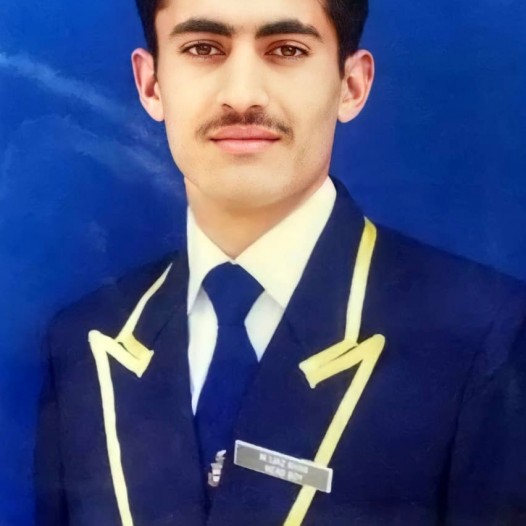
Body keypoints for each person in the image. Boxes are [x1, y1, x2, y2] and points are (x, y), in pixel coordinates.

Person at [34, 0, 526, 524]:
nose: (243, 95)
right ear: (151, 83)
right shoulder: (84, 341)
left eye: (287, 50)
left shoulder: (486, 335)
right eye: (203, 48)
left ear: (351, 85)